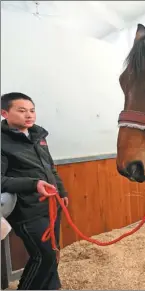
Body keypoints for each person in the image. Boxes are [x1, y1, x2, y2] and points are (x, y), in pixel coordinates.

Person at [1, 92, 68, 290]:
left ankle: (52, 287)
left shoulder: (38, 135)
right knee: (43, 255)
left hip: (51, 205)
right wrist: (33, 184)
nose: (28, 115)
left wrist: (62, 192)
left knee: (53, 251)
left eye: (32, 110)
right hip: (26, 210)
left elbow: (50, 168)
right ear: (4, 112)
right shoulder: (2, 142)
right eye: (21, 111)